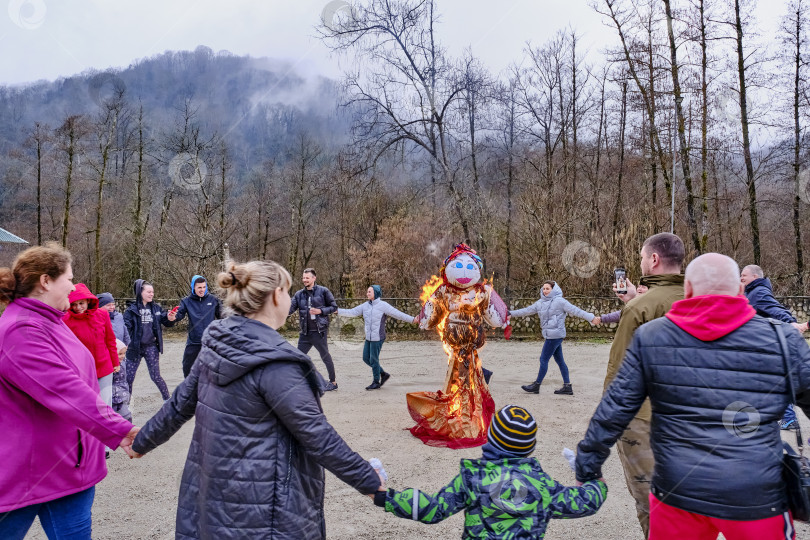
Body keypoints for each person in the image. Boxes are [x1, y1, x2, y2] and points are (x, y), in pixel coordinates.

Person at [130, 259, 384, 539]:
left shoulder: (215, 346)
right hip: (264, 514)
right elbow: (318, 436)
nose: (290, 299)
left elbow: (178, 406)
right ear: (277, 296)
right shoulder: (279, 365)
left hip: (213, 503)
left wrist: (142, 442)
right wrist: (371, 483)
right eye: (288, 292)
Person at [576, 253, 810, 540]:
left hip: (677, 493)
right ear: (740, 290)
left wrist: (588, 465)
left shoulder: (651, 337)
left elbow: (615, 408)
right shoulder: (783, 340)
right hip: (758, 496)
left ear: (687, 291)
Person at [0, 244, 138, 539]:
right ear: (46, 281)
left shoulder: (53, 321)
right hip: (29, 472)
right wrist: (118, 429)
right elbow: (65, 390)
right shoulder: (21, 329)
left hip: (68, 468)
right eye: (69, 278)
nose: (74, 286)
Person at [376, 405, 607, 538]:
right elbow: (586, 502)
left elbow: (433, 509)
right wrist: (591, 476)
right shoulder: (542, 485)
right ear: (530, 449)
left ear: (491, 439)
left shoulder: (472, 479)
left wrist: (383, 495)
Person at [603, 232, 685, 538]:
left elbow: (620, 370)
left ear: (653, 259)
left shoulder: (640, 309)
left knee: (651, 499)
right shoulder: (698, 298)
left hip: (645, 416)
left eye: (641, 256)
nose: (640, 261)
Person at [408, 243, 508, 448]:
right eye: (458, 266)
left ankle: (467, 418)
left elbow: (495, 318)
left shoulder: (481, 292)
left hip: (472, 344)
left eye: (470, 267)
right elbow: (431, 315)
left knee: (470, 380)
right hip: (455, 344)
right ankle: (462, 417)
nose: (464, 272)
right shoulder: (444, 290)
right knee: (460, 379)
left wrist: (500, 313)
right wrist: (424, 320)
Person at [741, 264, 808, 430]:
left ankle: (789, 419)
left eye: (744, 275)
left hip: (767, 347)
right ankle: (785, 418)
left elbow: (775, 309)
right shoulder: (751, 292)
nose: (741, 278)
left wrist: (791, 323)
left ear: (755, 277)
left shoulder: (758, 292)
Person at [510, 280, 600, 396]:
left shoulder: (560, 301)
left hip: (555, 336)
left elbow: (576, 310)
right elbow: (526, 311)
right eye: (544, 289)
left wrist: (591, 318)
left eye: (547, 288)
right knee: (560, 361)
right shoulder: (540, 303)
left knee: (543, 359)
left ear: (554, 289)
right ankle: (567, 386)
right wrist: (510, 313)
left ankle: (536, 385)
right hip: (552, 335)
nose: (545, 291)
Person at [337, 285, 416, 390]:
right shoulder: (365, 306)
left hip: (378, 337)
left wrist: (412, 319)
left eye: (370, 291)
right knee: (366, 358)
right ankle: (383, 373)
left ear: (376, 293)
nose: (367, 293)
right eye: (367, 291)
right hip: (369, 337)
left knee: (374, 360)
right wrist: (337, 311)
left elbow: (398, 314)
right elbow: (352, 312)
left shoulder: (383, 305)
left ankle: (376, 382)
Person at [62, 283, 121, 413]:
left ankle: (108, 431)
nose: (78, 307)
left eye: (81, 303)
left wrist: (115, 362)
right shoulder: (65, 320)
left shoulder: (102, 315)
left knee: (105, 405)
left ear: (88, 300)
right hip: (81, 370)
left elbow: (110, 340)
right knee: (87, 405)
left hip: (104, 366)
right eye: (74, 304)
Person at [124, 279, 176, 401]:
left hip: (151, 347)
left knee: (156, 376)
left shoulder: (156, 308)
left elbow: (166, 321)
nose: (151, 294)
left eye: (152, 292)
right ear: (140, 292)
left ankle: (167, 400)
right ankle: (125, 403)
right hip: (134, 348)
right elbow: (126, 329)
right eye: (148, 292)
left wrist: (171, 318)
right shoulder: (131, 310)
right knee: (129, 378)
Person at [289, 268, 339, 391]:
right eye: (303, 278)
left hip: (319, 332)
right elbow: (289, 309)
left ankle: (333, 382)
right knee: (297, 357)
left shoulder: (323, 291)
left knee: (325, 356)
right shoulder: (298, 294)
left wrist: (320, 311)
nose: (304, 280)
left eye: (307, 278)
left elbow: (333, 307)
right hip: (305, 333)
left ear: (314, 278)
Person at [173, 275, 222, 377]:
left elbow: (223, 316)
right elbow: (178, 315)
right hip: (194, 342)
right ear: (193, 287)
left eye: (204, 287)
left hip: (210, 341)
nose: (202, 290)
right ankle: (190, 390)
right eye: (199, 287)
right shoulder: (186, 301)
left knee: (213, 370)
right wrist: (172, 317)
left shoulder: (213, 300)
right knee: (187, 367)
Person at [98, 292, 132, 422]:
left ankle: (124, 409)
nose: (112, 307)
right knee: (108, 386)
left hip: (120, 357)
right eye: (108, 305)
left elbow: (125, 333)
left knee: (122, 382)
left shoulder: (118, 317)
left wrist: (124, 349)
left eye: (113, 304)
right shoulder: (97, 319)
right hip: (107, 358)